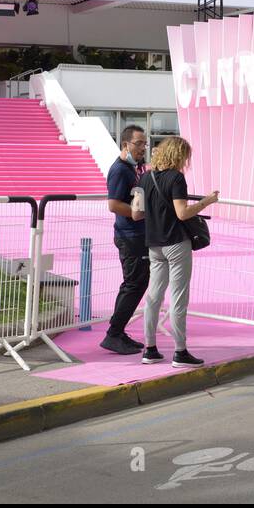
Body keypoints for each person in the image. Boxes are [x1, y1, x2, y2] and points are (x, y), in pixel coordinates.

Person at [140, 136, 218, 367]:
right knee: (178, 298)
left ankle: (149, 349)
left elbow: (136, 213)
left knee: (153, 297)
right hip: (175, 243)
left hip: (154, 243)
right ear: (179, 155)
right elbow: (182, 213)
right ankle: (180, 352)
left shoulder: (145, 178)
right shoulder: (176, 178)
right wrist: (206, 201)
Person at [101, 124, 148, 355]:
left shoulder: (134, 168)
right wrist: (137, 214)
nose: (143, 148)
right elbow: (113, 204)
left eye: (144, 143)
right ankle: (113, 334)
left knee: (135, 283)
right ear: (125, 144)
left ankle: (117, 332)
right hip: (129, 236)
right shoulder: (120, 170)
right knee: (134, 284)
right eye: (139, 143)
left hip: (136, 235)